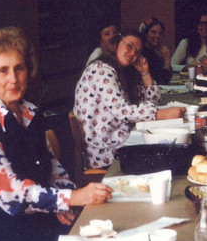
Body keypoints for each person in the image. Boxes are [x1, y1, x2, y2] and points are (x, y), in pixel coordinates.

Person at [0, 27, 113, 241]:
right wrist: (71, 198)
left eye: (19, 68)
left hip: (34, 226)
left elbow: (53, 170)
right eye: (3, 70)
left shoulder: (30, 113)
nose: (13, 79)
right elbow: (12, 196)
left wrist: (63, 204)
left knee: (106, 238)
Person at [75, 29, 186, 168]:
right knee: (168, 153)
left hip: (120, 139)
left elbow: (153, 102)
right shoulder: (101, 70)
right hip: (104, 150)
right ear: (117, 42)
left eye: (138, 51)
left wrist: (145, 73)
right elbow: (121, 111)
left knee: (171, 146)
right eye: (130, 46)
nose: (133, 53)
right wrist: (159, 114)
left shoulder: (122, 71)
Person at [139, 17, 172, 84]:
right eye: (153, 32)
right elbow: (161, 81)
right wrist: (167, 60)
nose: (157, 36)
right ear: (145, 33)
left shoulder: (156, 50)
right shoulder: (142, 52)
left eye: (160, 33)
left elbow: (169, 76)